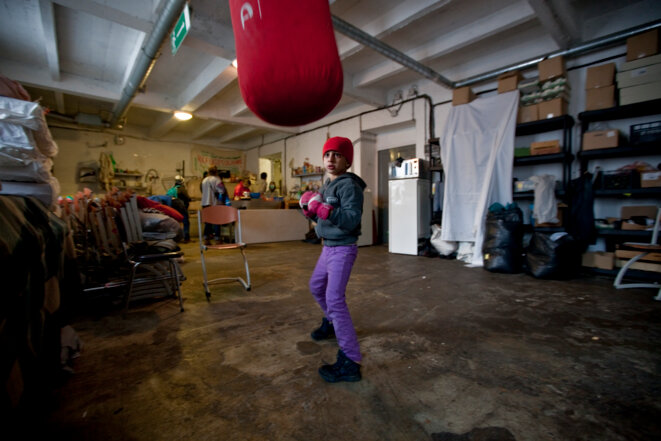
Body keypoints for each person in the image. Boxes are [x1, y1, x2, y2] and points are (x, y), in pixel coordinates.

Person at [299, 136, 366, 383]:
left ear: (347, 160)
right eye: (327, 154)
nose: (331, 159)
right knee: (316, 286)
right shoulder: (328, 184)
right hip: (328, 248)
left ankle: (351, 360)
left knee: (335, 299)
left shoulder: (349, 186)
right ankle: (331, 323)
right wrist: (310, 212)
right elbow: (323, 219)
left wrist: (326, 210)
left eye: (337, 154)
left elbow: (351, 220)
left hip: (343, 249)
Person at [201, 166, 222, 244]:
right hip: (214, 203)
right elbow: (221, 191)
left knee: (208, 221)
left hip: (204, 203)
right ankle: (217, 239)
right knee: (217, 221)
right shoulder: (217, 180)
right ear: (216, 171)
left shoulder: (204, 180)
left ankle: (206, 239)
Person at [167, 175, 191, 242]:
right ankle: (186, 237)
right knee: (186, 222)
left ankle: (175, 237)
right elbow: (187, 198)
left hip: (172, 209)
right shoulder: (181, 189)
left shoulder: (171, 189)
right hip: (181, 207)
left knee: (175, 222)